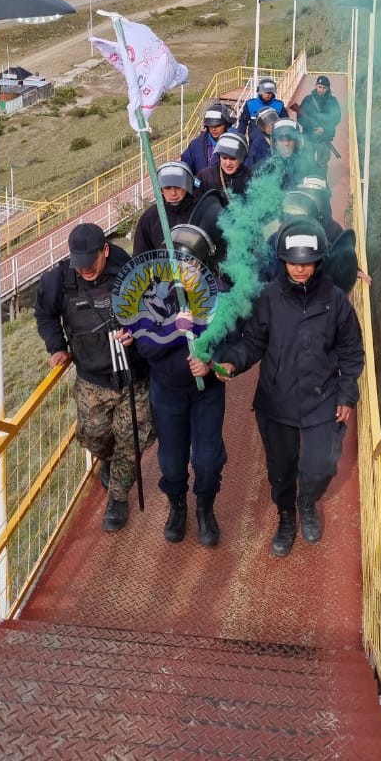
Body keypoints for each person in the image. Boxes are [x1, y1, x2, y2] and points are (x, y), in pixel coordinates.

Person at [191, 220, 364, 558]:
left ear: (319, 261)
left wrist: (347, 393)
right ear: (282, 260)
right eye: (293, 262)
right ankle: (286, 517)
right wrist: (230, 363)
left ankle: (307, 502)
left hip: (322, 398)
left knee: (322, 466)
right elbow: (252, 342)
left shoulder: (335, 300)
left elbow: (352, 351)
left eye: (307, 262)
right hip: (277, 401)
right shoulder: (269, 297)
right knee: (281, 470)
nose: (300, 269)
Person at [35, 222, 153, 532]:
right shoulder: (59, 279)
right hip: (91, 377)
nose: (85, 269)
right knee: (93, 435)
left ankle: (117, 497)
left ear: (105, 250)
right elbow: (44, 313)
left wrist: (138, 334)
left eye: (91, 262)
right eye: (79, 263)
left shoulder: (132, 273)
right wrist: (57, 346)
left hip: (133, 376)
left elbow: (157, 315)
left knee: (132, 441)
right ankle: (107, 459)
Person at [119, 226, 227, 548]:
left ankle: (205, 508)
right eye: (175, 264)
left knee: (207, 460)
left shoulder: (218, 297)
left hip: (206, 392)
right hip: (167, 390)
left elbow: (230, 345)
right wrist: (177, 329)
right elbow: (146, 349)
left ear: (203, 265)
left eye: (189, 265)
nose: (182, 272)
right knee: (171, 459)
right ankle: (177, 506)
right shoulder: (152, 296)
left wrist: (211, 363)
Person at [133, 162, 195, 256]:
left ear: (187, 185)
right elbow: (140, 258)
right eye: (167, 188)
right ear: (161, 189)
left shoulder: (200, 210)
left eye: (178, 187)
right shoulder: (149, 218)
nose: (173, 193)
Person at [291, 75, 342, 170]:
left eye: (324, 88)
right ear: (316, 86)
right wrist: (311, 127)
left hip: (325, 137)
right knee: (307, 161)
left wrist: (324, 129)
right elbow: (300, 117)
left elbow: (336, 118)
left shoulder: (332, 101)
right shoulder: (308, 99)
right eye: (320, 87)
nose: (322, 90)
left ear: (328, 88)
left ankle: (322, 182)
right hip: (309, 136)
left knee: (322, 163)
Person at [181, 103, 232, 176]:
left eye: (217, 125)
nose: (214, 129)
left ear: (226, 124)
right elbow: (185, 165)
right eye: (210, 125)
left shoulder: (235, 145)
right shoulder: (196, 145)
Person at [196, 131, 252, 198]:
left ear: (242, 158)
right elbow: (194, 199)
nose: (228, 164)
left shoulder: (251, 178)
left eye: (232, 159)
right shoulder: (203, 177)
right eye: (224, 158)